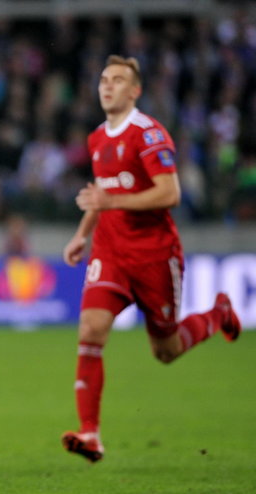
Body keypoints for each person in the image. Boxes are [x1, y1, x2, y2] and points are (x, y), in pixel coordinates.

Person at [61, 55, 241, 463]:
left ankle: (218, 314)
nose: (107, 86)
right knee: (90, 329)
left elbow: (170, 193)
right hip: (110, 251)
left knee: (166, 349)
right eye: (103, 79)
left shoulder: (149, 134)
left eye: (118, 80)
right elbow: (102, 191)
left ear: (135, 91)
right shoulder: (96, 138)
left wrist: (111, 200)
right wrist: (82, 234)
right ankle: (90, 433)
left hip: (154, 256)